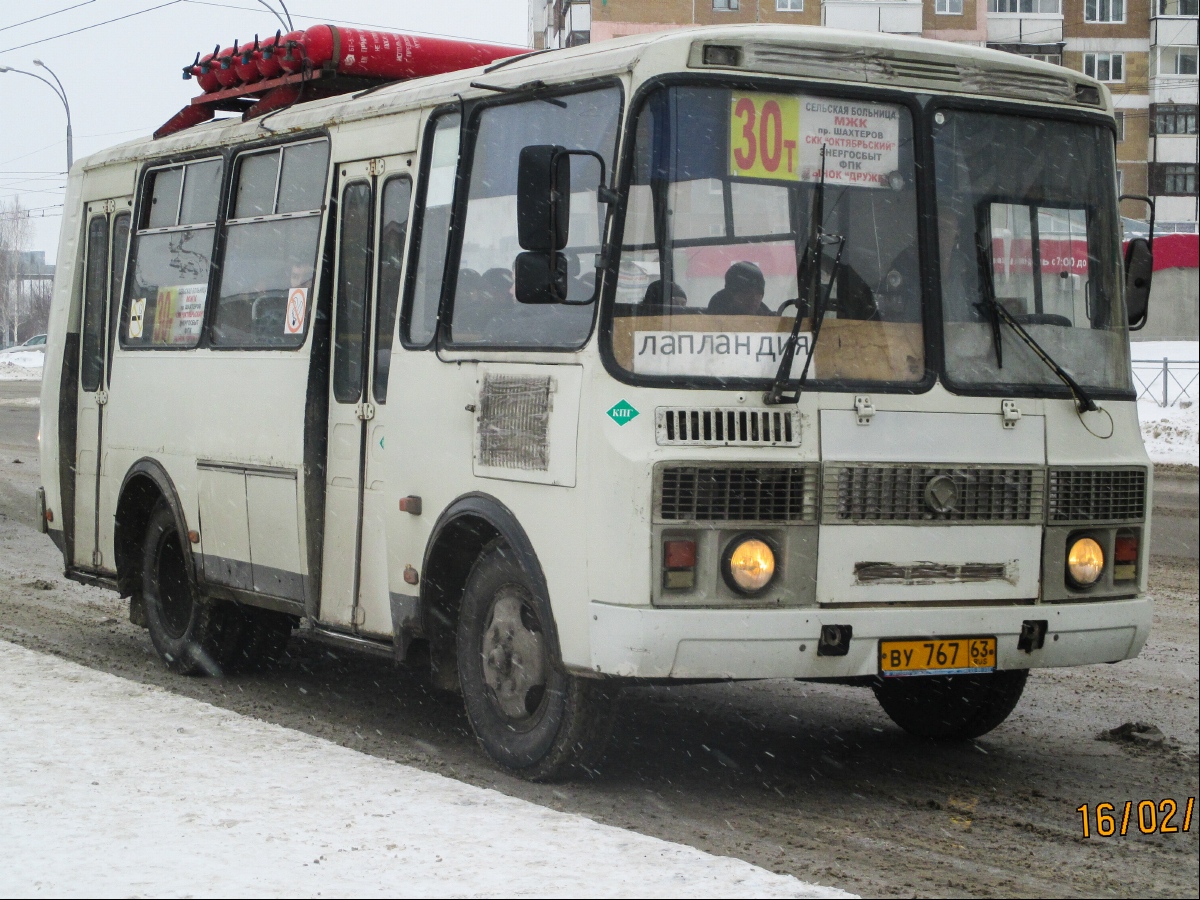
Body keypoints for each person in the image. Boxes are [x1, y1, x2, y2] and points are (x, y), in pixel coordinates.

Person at [706, 261, 771, 316]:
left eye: (758, 293)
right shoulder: (709, 321)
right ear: (731, 294)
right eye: (746, 292)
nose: (754, 298)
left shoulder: (771, 322)